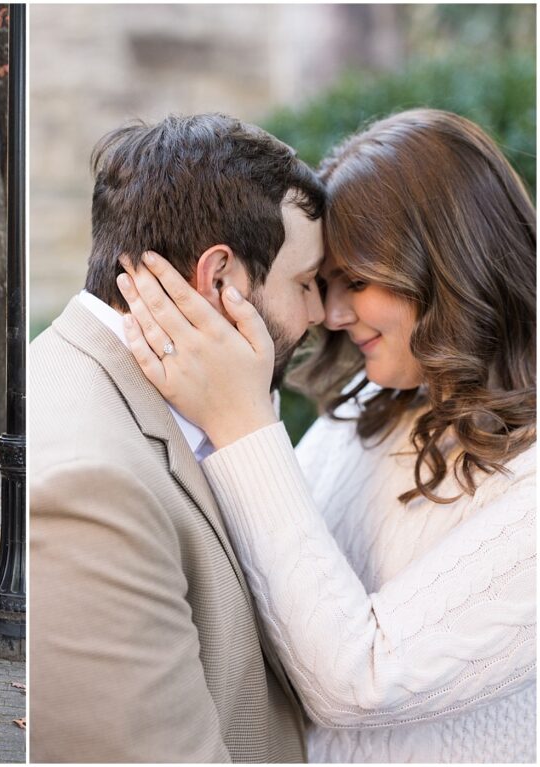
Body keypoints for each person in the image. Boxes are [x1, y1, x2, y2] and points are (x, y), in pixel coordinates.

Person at [118, 109, 536, 763]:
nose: (333, 316)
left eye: (359, 281)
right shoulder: (375, 402)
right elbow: (267, 582)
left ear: (451, 264)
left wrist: (242, 420)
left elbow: (361, 679)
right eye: (324, 282)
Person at [29, 113, 327, 762]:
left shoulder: (192, 403)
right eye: (305, 285)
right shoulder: (90, 488)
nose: (321, 315)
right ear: (219, 279)